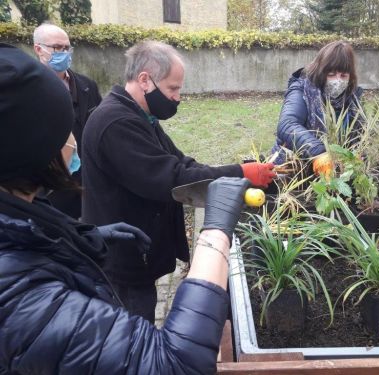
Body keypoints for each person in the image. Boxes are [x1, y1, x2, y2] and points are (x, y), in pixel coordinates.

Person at [0, 43, 250, 374]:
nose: (74, 140)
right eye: (64, 131)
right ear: (33, 147)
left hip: (131, 250)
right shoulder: (21, 296)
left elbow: (177, 161)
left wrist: (79, 236)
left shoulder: (22, 218)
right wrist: (216, 234)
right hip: (126, 269)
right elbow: (171, 364)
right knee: (137, 318)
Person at [81, 40, 276, 322]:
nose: (178, 97)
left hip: (136, 254)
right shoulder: (116, 123)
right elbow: (171, 178)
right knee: (135, 336)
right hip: (122, 264)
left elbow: (181, 162)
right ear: (145, 80)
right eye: (173, 88)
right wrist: (240, 173)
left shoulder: (139, 115)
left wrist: (237, 172)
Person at [33, 23, 102, 219]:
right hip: (51, 183)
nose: (64, 53)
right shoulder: (27, 89)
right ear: (39, 49)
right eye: (57, 48)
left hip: (87, 180)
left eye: (67, 48)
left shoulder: (86, 85)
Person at [270, 40, 364, 167]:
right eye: (331, 74)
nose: (337, 81)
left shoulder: (353, 99)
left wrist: (358, 155)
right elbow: (287, 125)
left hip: (334, 171)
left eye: (343, 76)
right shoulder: (301, 89)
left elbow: (360, 133)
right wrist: (318, 152)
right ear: (321, 72)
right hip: (294, 166)